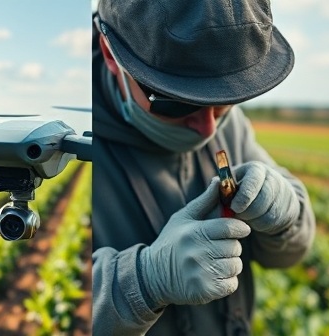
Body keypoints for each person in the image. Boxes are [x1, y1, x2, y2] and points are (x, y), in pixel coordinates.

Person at [91, 0, 316, 335]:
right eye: (176, 102)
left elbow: (288, 254)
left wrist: (287, 216)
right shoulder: (70, 144)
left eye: (225, 101)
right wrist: (144, 281)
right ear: (111, 56)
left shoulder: (230, 128)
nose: (209, 128)